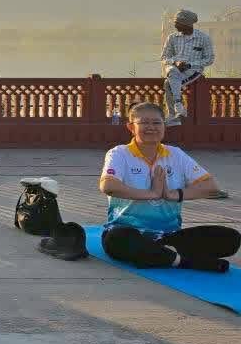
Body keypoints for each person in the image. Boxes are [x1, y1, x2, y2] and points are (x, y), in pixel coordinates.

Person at [98, 101, 237, 272]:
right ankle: (186, 262)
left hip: (168, 236)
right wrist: (152, 193)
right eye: (144, 122)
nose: (151, 127)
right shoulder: (119, 153)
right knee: (117, 239)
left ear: (164, 126)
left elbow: (211, 186)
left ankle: (162, 255)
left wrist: (173, 194)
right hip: (129, 232)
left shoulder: (176, 154)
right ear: (131, 127)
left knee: (230, 238)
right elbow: (108, 185)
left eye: (157, 123)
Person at [161, 8, 214, 126]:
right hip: (174, 69)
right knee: (172, 71)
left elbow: (209, 59)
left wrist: (190, 64)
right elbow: (164, 57)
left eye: (177, 23)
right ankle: (178, 109)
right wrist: (176, 62)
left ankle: (173, 115)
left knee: (168, 83)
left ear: (186, 24)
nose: (175, 25)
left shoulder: (203, 38)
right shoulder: (172, 37)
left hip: (192, 71)